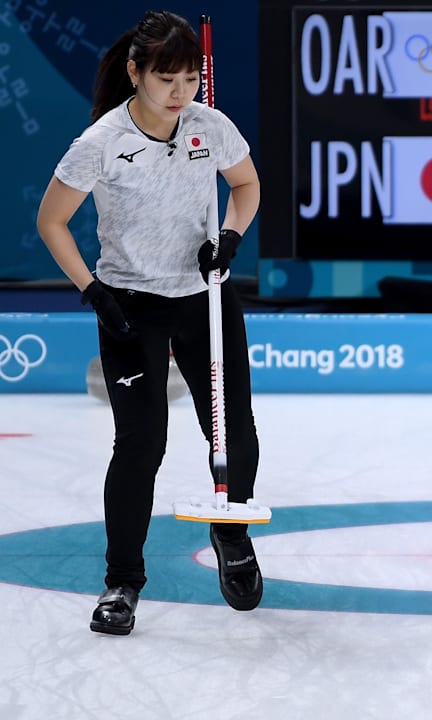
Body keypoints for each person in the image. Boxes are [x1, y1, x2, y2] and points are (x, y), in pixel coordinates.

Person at [35, 10, 263, 635]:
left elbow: (245, 186)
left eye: (190, 78)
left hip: (205, 299)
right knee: (141, 446)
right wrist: (92, 291)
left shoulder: (209, 126)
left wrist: (230, 236)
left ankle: (232, 537)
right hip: (130, 306)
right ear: (136, 72)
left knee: (234, 433)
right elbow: (50, 220)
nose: (179, 92)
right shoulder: (100, 142)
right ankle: (122, 583)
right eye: (166, 79)